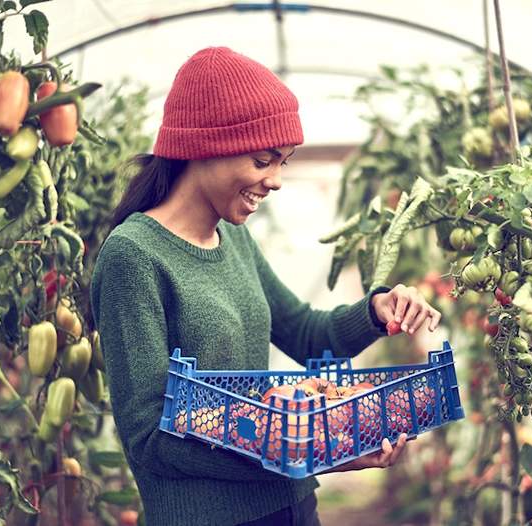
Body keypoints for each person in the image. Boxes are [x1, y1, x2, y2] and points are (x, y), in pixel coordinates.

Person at [90, 46, 442, 526]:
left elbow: (304, 332)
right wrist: (307, 451)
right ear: (204, 148)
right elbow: (151, 436)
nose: (275, 180)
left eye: (283, 162)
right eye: (262, 160)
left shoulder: (232, 236)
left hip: (293, 507)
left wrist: (377, 311)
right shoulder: (134, 257)